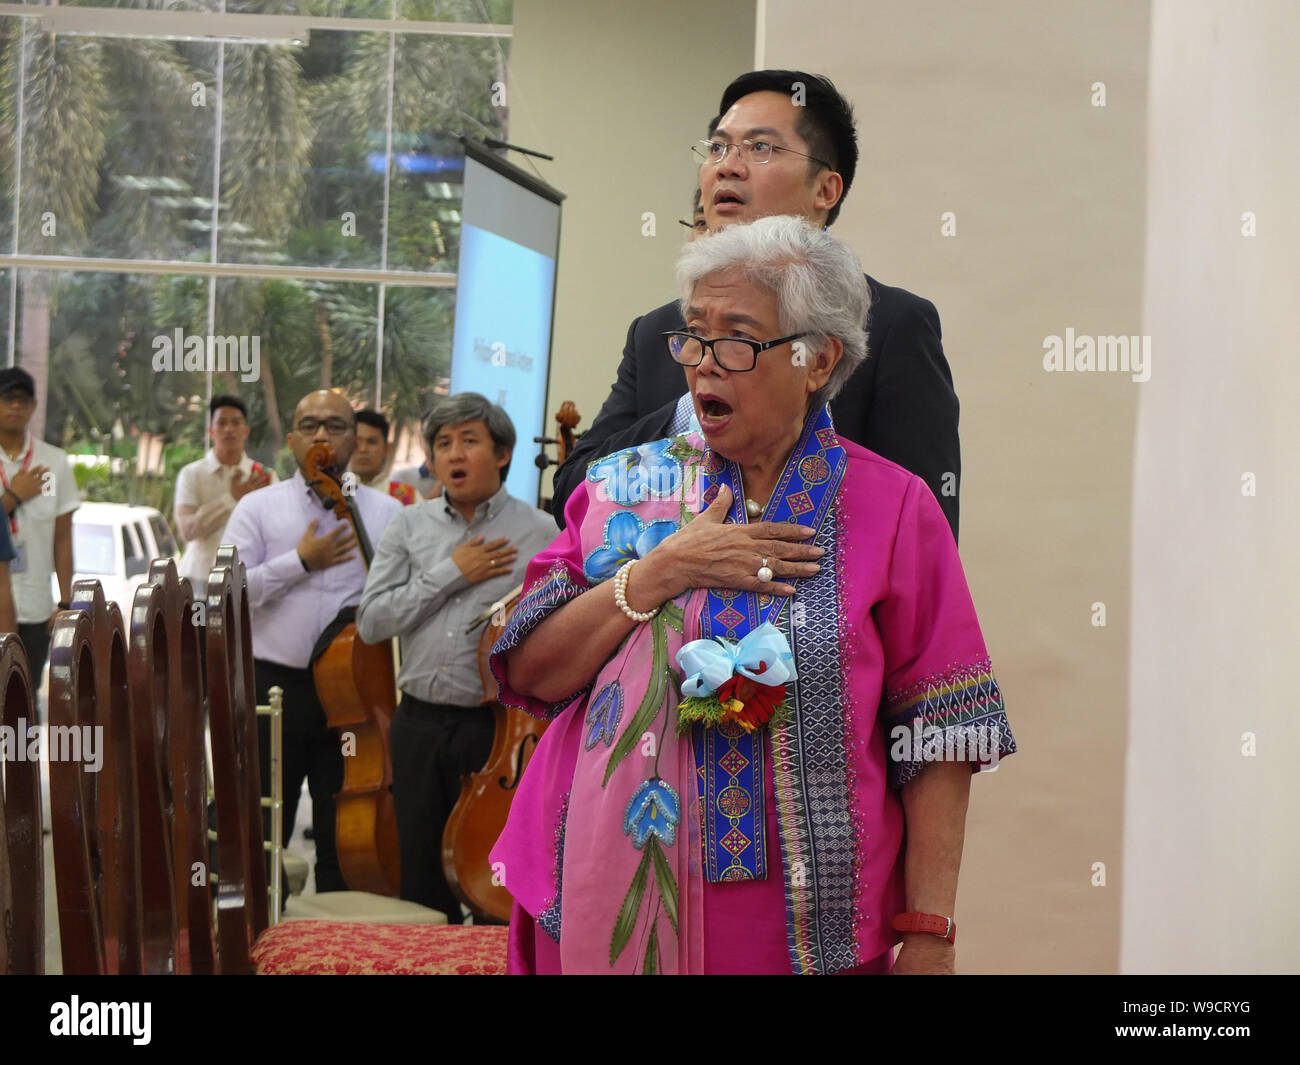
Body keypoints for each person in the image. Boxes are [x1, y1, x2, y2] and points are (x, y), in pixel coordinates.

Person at [490, 217, 1015, 974]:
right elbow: (529, 672)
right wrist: (661, 571)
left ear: (817, 358)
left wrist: (931, 930)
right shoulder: (623, 488)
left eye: (738, 339)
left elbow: (942, 733)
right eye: (694, 337)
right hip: (597, 904)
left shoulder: (892, 507)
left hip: (812, 931)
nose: (705, 364)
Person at [551, 70, 961, 539]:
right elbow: (570, 496)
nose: (728, 166)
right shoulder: (660, 332)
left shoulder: (889, 324)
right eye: (719, 147)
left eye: (762, 148)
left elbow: (927, 536)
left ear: (826, 190)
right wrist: (699, 398)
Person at [357, 393, 557, 918]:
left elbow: (558, 630)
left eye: (469, 441)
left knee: (496, 890)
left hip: (498, 735)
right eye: (442, 444)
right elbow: (373, 621)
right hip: (418, 724)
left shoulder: (540, 532)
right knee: (421, 883)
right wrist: (453, 572)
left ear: (503, 453)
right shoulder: (408, 526)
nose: (453, 455)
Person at [223, 390, 402, 892]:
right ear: (291, 438)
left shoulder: (387, 513)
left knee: (343, 829)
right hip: (272, 689)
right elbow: (229, 593)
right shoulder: (257, 508)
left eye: (335, 426)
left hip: (352, 694)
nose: (321, 436)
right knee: (259, 829)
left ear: (355, 438)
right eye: (309, 426)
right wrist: (300, 562)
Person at [0, 367, 79, 682]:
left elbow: (62, 540)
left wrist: (65, 602)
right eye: (7, 398)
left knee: (24, 699)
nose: (15, 406)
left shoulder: (55, 462)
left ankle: (22, 735)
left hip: (36, 608)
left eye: (23, 399)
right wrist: (13, 497)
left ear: (33, 405)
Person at [174, 395, 276, 592]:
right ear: (211, 432)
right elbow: (187, 531)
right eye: (221, 423)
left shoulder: (264, 476)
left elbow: (277, 531)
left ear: (246, 431)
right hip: (199, 581)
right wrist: (231, 499)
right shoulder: (191, 474)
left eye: (236, 423)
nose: (229, 429)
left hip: (249, 581)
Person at [350, 408, 416, 506]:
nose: (363, 449)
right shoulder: (336, 492)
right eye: (356, 442)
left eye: (371, 442)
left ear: (387, 448)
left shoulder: (407, 497)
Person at [391, 414, 441, 501]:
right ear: (420, 439)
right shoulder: (400, 479)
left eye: (441, 437)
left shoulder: (466, 482)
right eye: (429, 436)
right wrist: (435, 494)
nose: (434, 443)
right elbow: (399, 513)